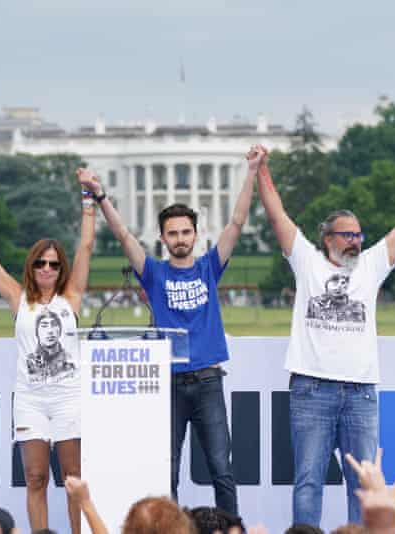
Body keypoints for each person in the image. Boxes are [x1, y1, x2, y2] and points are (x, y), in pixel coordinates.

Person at [256, 148, 395, 527]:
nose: (355, 241)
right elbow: (276, 212)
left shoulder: (373, 264)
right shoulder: (305, 260)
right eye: (347, 235)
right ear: (326, 238)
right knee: (308, 482)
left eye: (358, 235)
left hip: (360, 392)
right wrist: (262, 169)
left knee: (364, 485)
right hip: (312, 389)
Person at [78, 147, 263, 514]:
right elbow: (122, 232)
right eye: (173, 233)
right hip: (169, 382)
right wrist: (99, 196)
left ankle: (230, 527)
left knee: (222, 471)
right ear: (163, 238)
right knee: (167, 473)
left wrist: (252, 172)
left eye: (186, 231)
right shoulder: (154, 272)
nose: (180, 238)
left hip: (209, 379)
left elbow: (237, 222)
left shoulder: (210, 267)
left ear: (196, 234)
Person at [0, 176, 95, 534]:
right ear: (31, 267)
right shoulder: (17, 299)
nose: (47, 270)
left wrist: (87, 198)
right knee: (35, 477)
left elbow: (85, 246)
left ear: (60, 268)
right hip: (31, 400)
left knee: (72, 479)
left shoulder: (72, 298)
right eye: (40, 264)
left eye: (53, 264)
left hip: (68, 398)